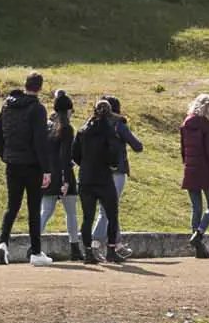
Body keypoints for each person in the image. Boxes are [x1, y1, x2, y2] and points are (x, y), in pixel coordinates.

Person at [0, 71, 50, 265]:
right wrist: (47, 169)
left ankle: (3, 243)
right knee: (34, 208)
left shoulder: (8, 106)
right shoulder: (38, 109)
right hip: (32, 166)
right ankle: (36, 251)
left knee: (12, 206)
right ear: (40, 88)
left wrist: (6, 155)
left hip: (13, 164)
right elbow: (40, 142)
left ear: (25, 85)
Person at [74, 97, 132, 263]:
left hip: (85, 178)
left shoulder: (83, 130)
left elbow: (75, 153)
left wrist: (85, 164)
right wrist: (111, 165)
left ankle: (88, 252)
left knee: (87, 217)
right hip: (104, 179)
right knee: (112, 215)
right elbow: (113, 155)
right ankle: (111, 249)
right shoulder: (109, 131)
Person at [180, 93, 209, 257]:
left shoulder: (185, 124)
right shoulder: (208, 126)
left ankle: (198, 247)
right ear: (207, 107)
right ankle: (198, 234)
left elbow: (183, 151)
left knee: (196, 208)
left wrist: (187, 166)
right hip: (206, 172)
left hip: (191, 170)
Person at [95, 96, 145, 254]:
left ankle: (117, 244)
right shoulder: (119, 124)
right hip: (116, 171)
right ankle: (94, 242)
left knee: (108, 208)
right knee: (108, 209)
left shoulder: (92, 123)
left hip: (98, 171)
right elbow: (137, 146)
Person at [36, 89, 79, 259]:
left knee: (45, 212)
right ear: (68, 111)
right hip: (63, 173)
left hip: (48, 173)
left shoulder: (47, 127)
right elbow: (65, 156)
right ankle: (74, 247)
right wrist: (66, 179)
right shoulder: (67, 128)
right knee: (71, 213)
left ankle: (34, 243)